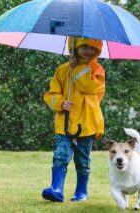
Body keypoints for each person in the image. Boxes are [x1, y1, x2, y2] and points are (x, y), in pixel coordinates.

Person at [42, 37, 105, 202]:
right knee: (60, 155)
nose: (88, 51)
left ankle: (81, 191)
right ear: (73, 46)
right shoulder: (62, 70)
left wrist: (78, 69)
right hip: (65, 123)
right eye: (83, 46)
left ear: (97, 50)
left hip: (87, 124)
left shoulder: (97, 71)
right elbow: (50, 94)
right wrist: (61, 103)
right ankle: (56, 188)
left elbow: (89, 87)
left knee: (83, 160)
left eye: (92, 48)